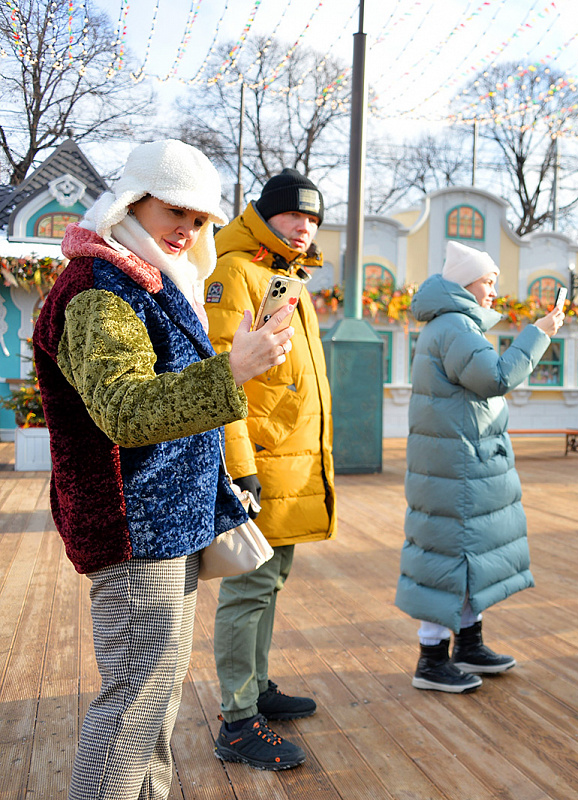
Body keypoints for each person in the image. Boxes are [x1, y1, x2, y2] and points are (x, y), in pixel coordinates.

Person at [31, 139, 294, 800]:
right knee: (133, 705)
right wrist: (233, 370)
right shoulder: (100, 287)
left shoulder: (139, 275)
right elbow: (124, 409)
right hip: (132, 522)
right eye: (177, 211)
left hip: (160, 522)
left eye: (202, 220)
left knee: (150, 699)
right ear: (132, 199)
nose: (190, 230)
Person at [203, 168, 335, 769]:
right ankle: (236, 722)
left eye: (313, 218)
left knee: (270, 581)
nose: (305, 227)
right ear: (264, 213)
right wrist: (237, 465)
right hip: (256, 464)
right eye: (293, 215)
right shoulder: (235, 272)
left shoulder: (285, 277)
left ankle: (255, 688)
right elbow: (221, 376)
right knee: (248, 587)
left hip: (292, 466)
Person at [396, 240, 564, 693]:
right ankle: (431, 660)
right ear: (465, 281)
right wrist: (540, 332)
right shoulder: (456, 327)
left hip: (459, 462)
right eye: (488, 280)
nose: (493, 289)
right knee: (447, 555)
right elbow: (495, 377)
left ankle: (468, 643)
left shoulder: (451, 324)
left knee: (461, 553)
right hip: (458, 466)